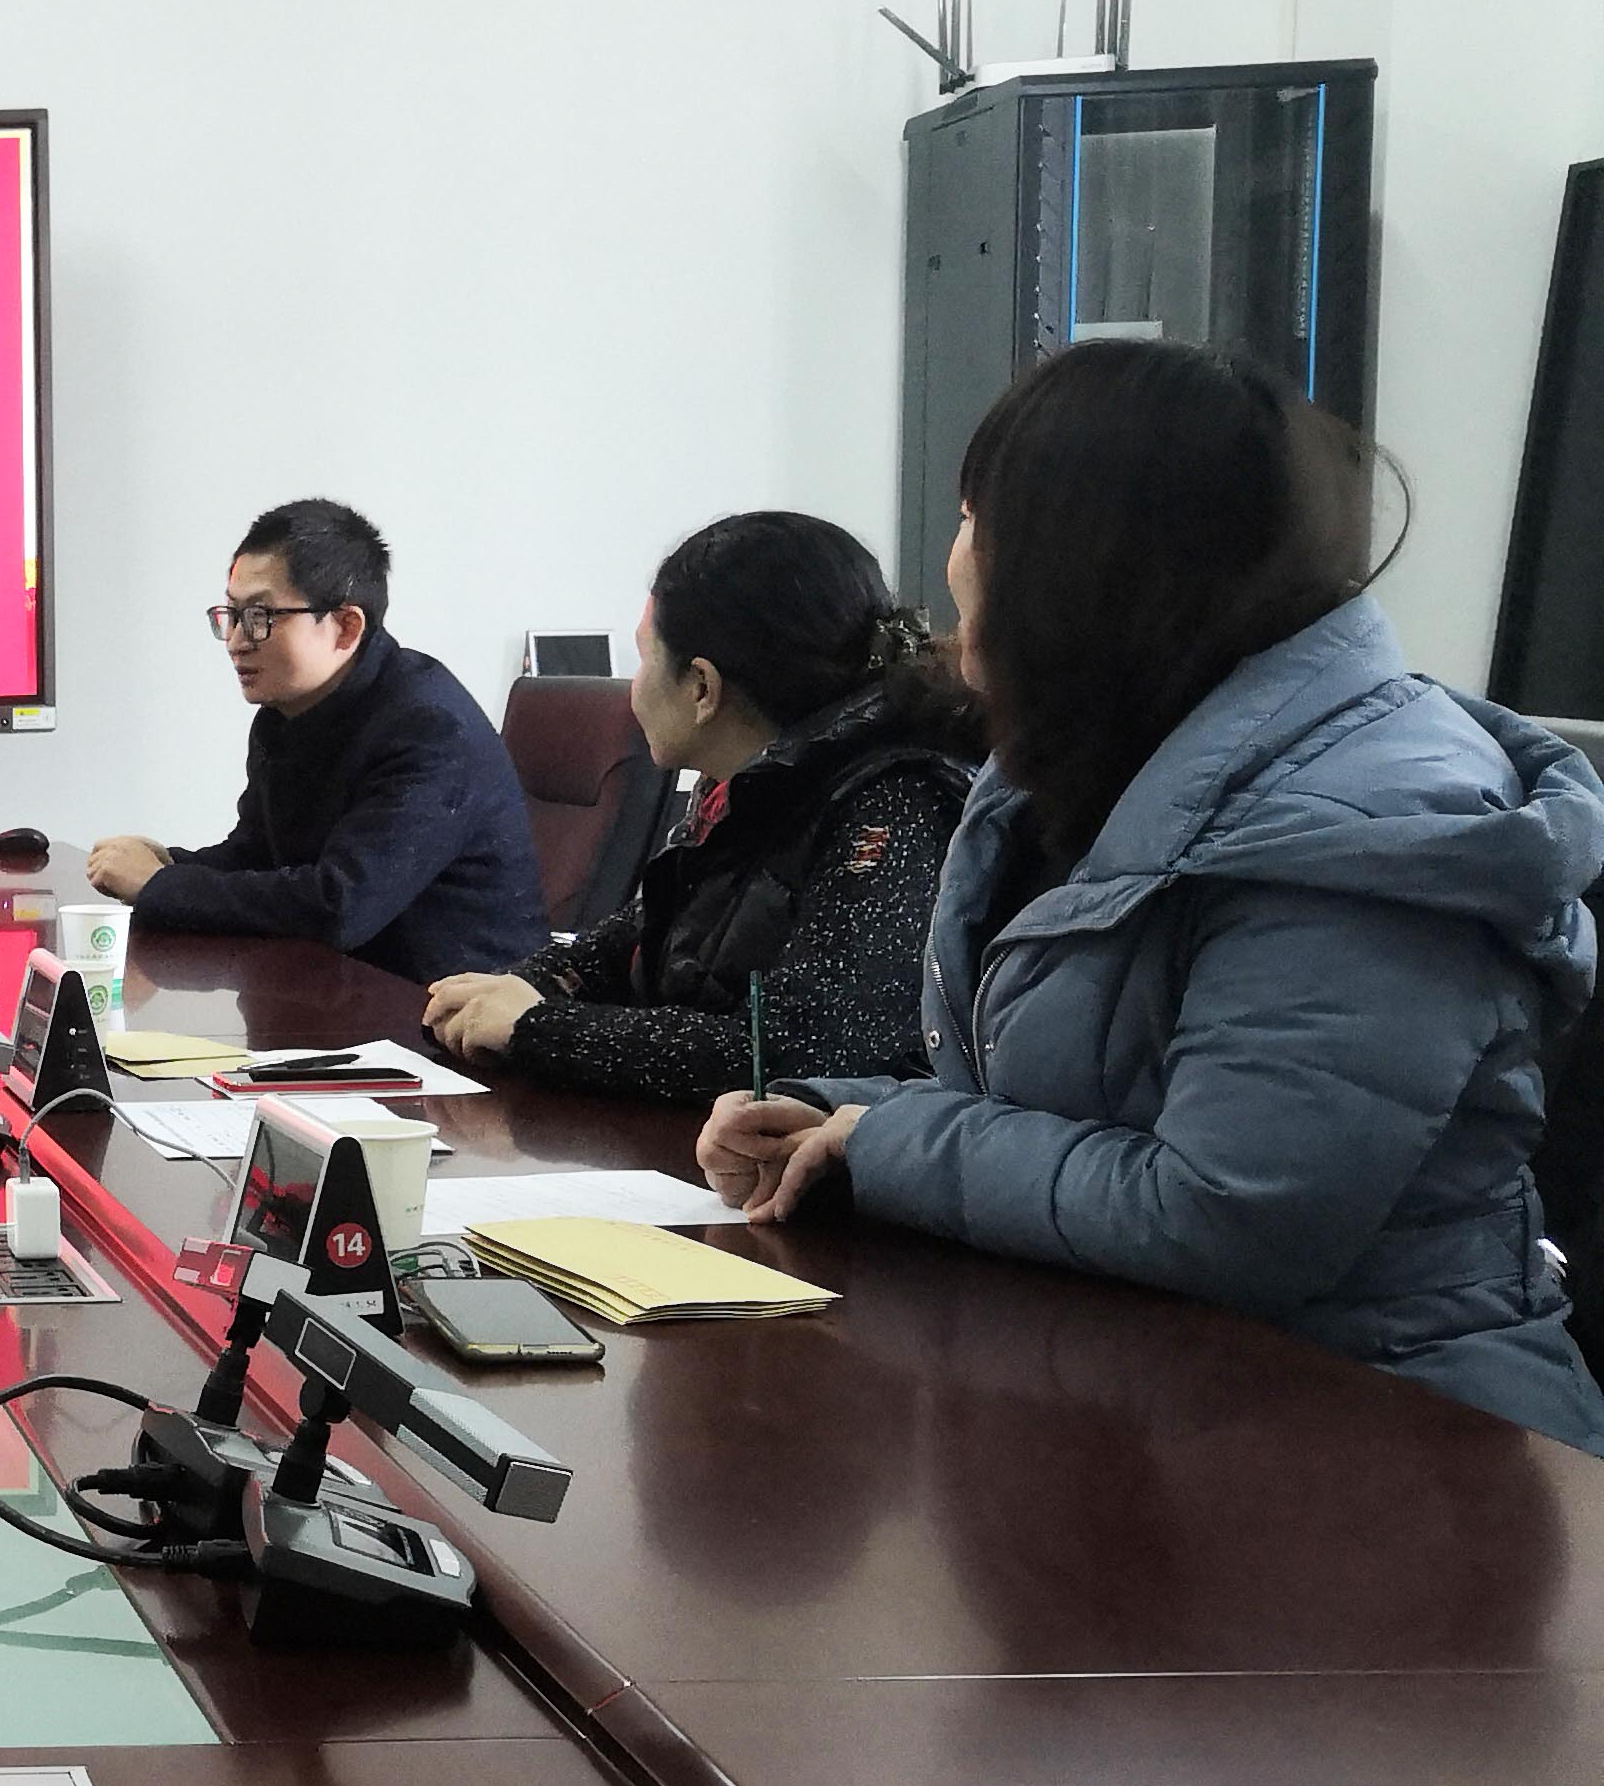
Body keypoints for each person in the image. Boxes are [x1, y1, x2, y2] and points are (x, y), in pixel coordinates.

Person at [701, 342, 1604, 1453]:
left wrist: (891, 1141)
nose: (951, 561)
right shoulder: (1100, 753)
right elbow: (1069, 1098)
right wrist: (841, 1119)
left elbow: (1225, 1216)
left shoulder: (1369, 818)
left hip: (1387, 1437)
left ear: (1079, 561)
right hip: (1140, 1393)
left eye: (974, 520)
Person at [419, 513, 979, 1103]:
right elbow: (638, 938)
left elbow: (794, 1053)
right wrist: (522, 987)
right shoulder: (747, 786)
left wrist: (537, 1028)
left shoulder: (895, 803)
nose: (633, 689)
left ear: (702, 688)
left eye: (645, 658)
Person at [83, 499, 547, 983]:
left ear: (346, 627)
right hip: (340, 990)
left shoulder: (430, 729)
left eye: (260, 615)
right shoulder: (284, 714)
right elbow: (257, 858)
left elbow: (340, 906)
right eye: (232, 614)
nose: (236, 640)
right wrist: (168, 865)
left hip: (452, 1011)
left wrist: (160, 886)